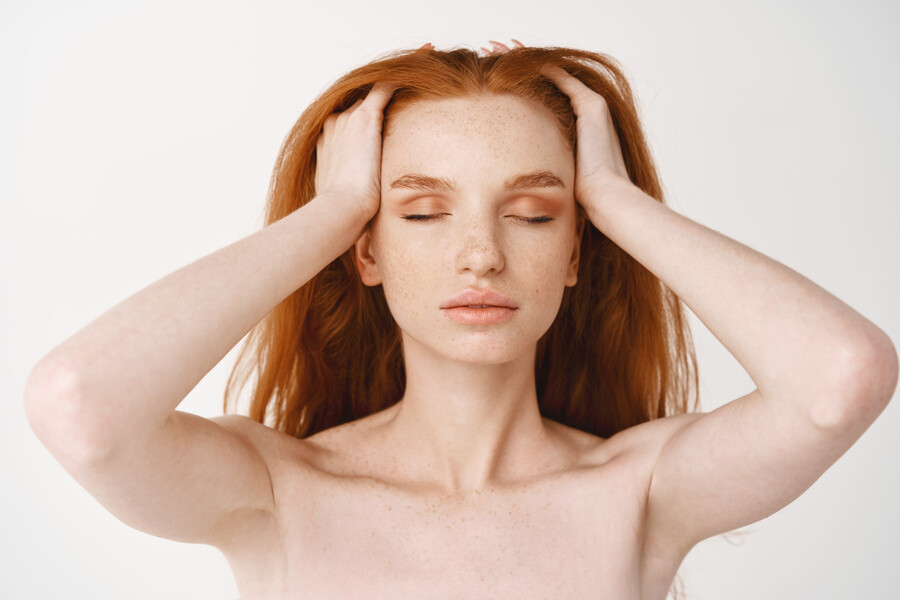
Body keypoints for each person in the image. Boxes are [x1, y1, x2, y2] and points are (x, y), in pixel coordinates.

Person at [24, 39, 898, 599]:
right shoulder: (277, 490)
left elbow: (841, 378)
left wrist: (613, 199)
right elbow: (77, 406)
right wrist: (330, 212)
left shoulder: (642, 491)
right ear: (366, 251)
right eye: (421, 212)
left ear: (576, 255)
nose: (480, 253)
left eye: (530, 213)